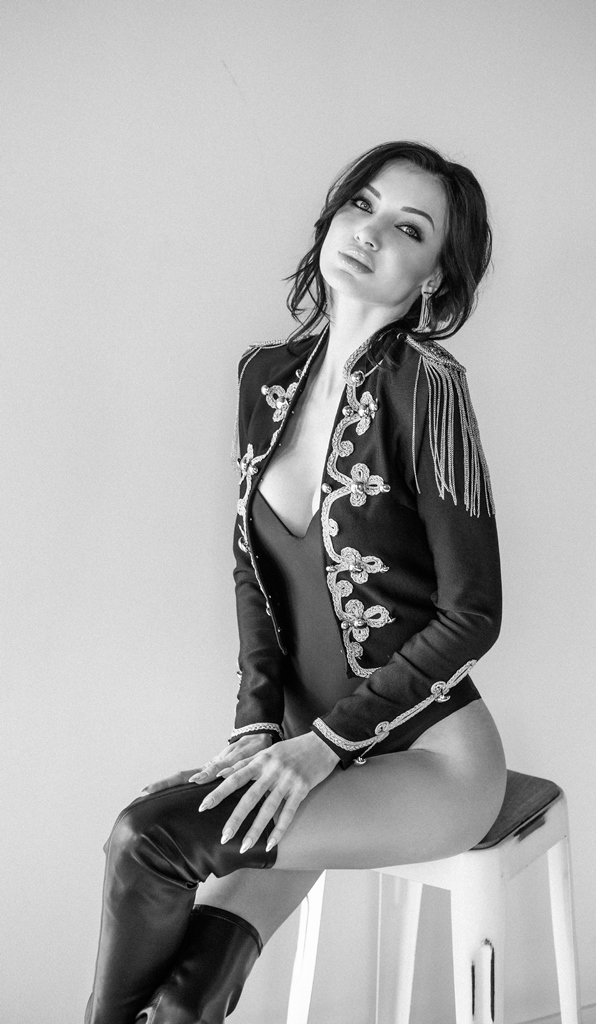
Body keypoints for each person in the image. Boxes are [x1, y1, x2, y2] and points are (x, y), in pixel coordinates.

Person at [84, 140, 507, 1024]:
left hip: (427, 765)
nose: (371, 232)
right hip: (301, 753)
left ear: (433, 275)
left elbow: (471, 614)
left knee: (150, 838)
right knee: (183, 1000)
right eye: (362, 204)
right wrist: (255, 727)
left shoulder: (426, 387)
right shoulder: (263, 377)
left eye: (409, 228)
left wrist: (322, 747)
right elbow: (253, 570)